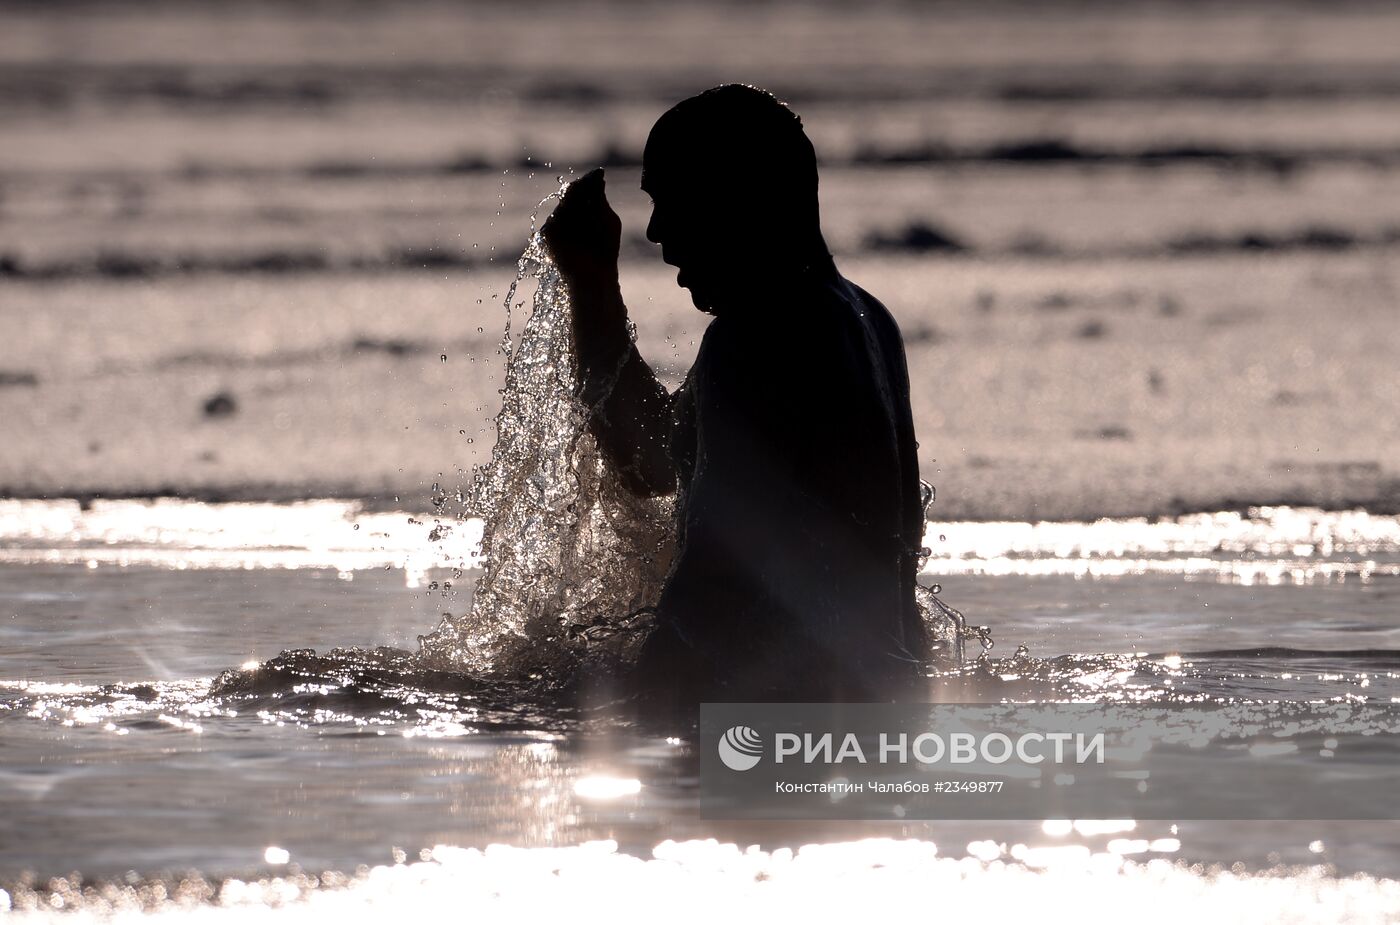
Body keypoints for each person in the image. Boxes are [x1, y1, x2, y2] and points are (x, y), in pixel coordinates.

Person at [542, 84, 926, 704]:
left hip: (785, 708)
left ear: (741, 198)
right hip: (872, 696)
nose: (659, 231)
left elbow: (717, 575)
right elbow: (654, 462)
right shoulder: (863, 318)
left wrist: (639, 707)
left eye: (675, 201)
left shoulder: (759, 334)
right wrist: (592, 284)